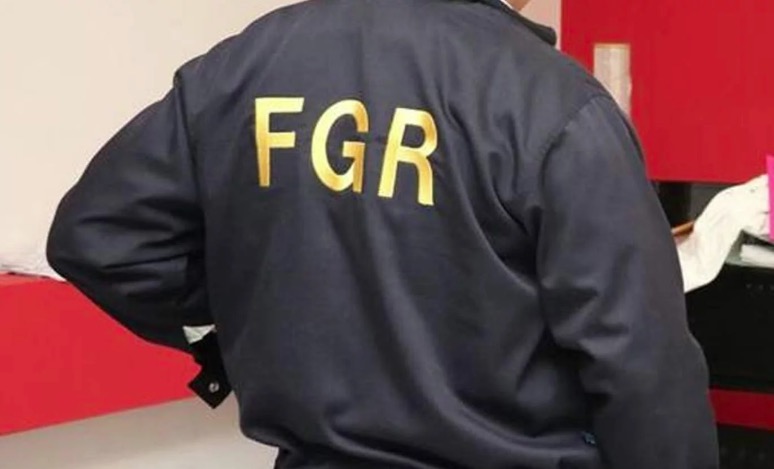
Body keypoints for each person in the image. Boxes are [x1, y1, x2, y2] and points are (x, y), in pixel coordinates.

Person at [47, 0, 719, 467]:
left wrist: (239, 322)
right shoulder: (553, 103)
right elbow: (643, 368)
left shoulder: (247, 65)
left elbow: (97, 237)